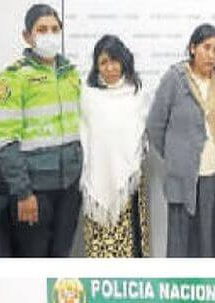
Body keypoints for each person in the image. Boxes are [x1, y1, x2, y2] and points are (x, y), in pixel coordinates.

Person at [0, 4, 82, 257]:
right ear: (27, 36)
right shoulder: (14, 78)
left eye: (54, 29)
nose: (49, 35)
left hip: (69, 189)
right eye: (42, 29)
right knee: (34, 268)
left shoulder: (70, 74)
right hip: (34, 190)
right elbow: (5, 141)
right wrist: (23, 193)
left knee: (59, 261)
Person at [147, 24, 215, 257]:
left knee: (210, 243)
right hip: (183, 178)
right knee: (181, 243)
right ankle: (179, 292)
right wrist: (176, 156)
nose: (211, 54)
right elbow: (155, 125)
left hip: (214, 177)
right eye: (206, 47)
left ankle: (208, 290)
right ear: (192, 48)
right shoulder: (174, 79)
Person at [80, 35, 150, 258]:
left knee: (132, 248)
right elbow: (85, 138)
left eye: (114, 61)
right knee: (102, 249)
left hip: (129, 186)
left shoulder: (137, 95)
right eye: (103, 62)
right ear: (96, 66)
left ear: (124, 62)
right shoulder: (88, 97)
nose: (109, 68)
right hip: (98, 182)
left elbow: (143, 138)